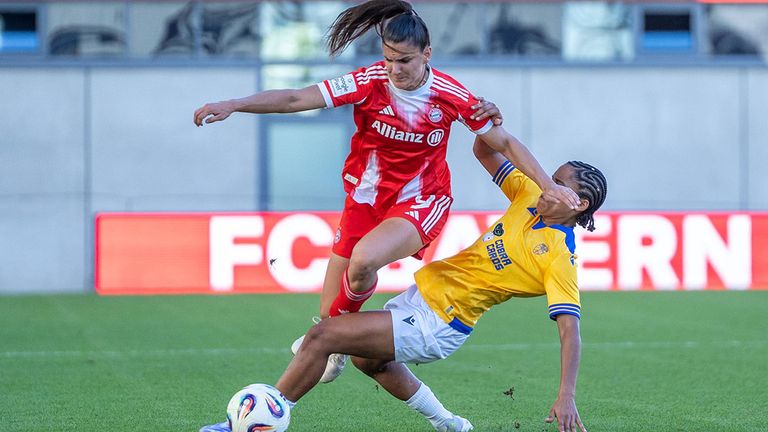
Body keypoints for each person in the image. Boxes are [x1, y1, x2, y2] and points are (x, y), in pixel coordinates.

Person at [194, 0, 580, 383]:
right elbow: (297, 98)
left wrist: (548, 186)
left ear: (427, 54)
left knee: (362, 262)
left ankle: (321, 355)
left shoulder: (451, 95)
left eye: (405, 60)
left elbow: (505, 142)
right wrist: (234, 104)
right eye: (389, 59)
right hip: (365, 198)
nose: (395, 69)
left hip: (421, 200)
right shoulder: (368, 81)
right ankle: (349, 353)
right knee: (329, 318)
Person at [200, 137, 607, 432]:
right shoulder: (528, 194)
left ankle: (257, 422)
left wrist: (566, 394)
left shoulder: (559, 256)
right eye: (548, 177)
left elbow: (570, 331)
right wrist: (488, 120)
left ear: (580, 203)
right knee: (368, 360)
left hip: (441, 322)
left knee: (324, 335)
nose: (547, 183)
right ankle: (448, 423)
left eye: (558, 183)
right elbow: (484, 149)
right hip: (419, 299)